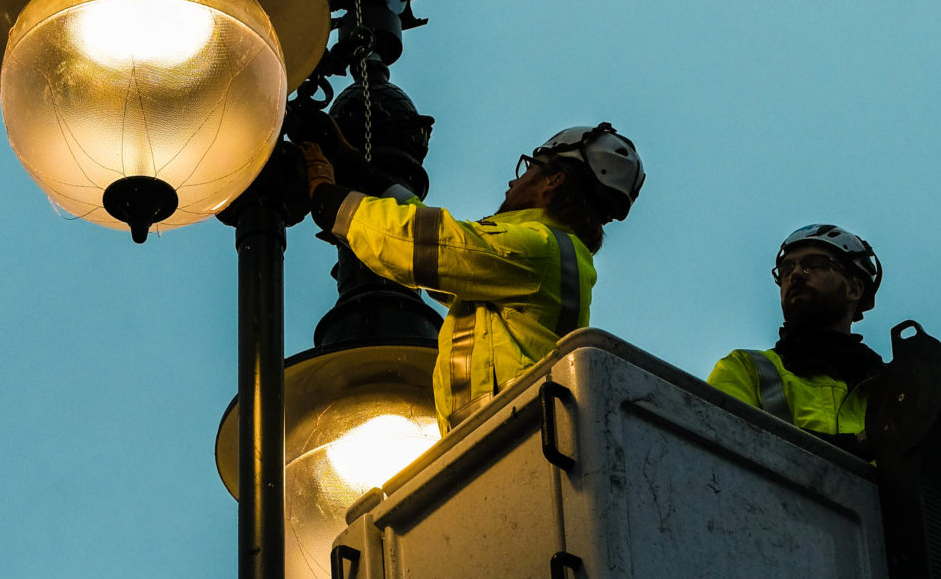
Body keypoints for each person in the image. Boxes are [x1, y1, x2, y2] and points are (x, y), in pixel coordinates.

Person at [300, 124, 646, 435]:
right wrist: (357, 168)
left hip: (507, 441)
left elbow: (421, 244)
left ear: (553, 180)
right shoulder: (551, 255)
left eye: (530, 167)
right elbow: (436, 242)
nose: (514, 181)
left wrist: (329, 201)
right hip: (503, 443)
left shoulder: (537, 249)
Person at [708, 224, 884, 453]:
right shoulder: (745, 369)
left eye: (814, 264)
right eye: (786, 269)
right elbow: (720, 441)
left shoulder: (892, 389)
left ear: (855, 289)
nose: (796, 275)